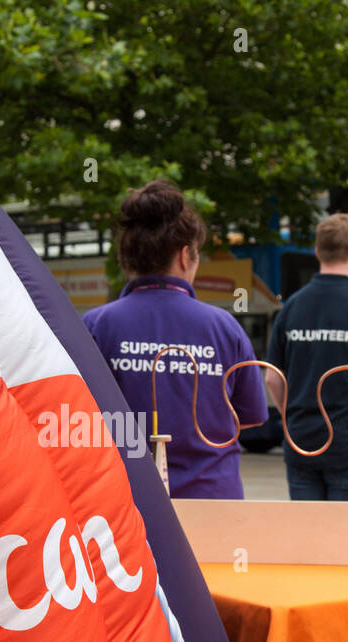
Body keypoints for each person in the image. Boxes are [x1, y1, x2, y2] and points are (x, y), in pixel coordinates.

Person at [83, 180, 266, 498]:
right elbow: (249, 418)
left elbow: (72, 420)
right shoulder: (225, 328)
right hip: (212, 501)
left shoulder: (95, 326)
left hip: (122, 504)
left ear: (127, 258)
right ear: (185, 256)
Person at [265, 213, 348, 500]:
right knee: (347, 543)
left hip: (302, 446)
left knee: (309, 541)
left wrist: (292, 418)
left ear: (317, 251)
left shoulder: (290, 308)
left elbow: (273, 378)